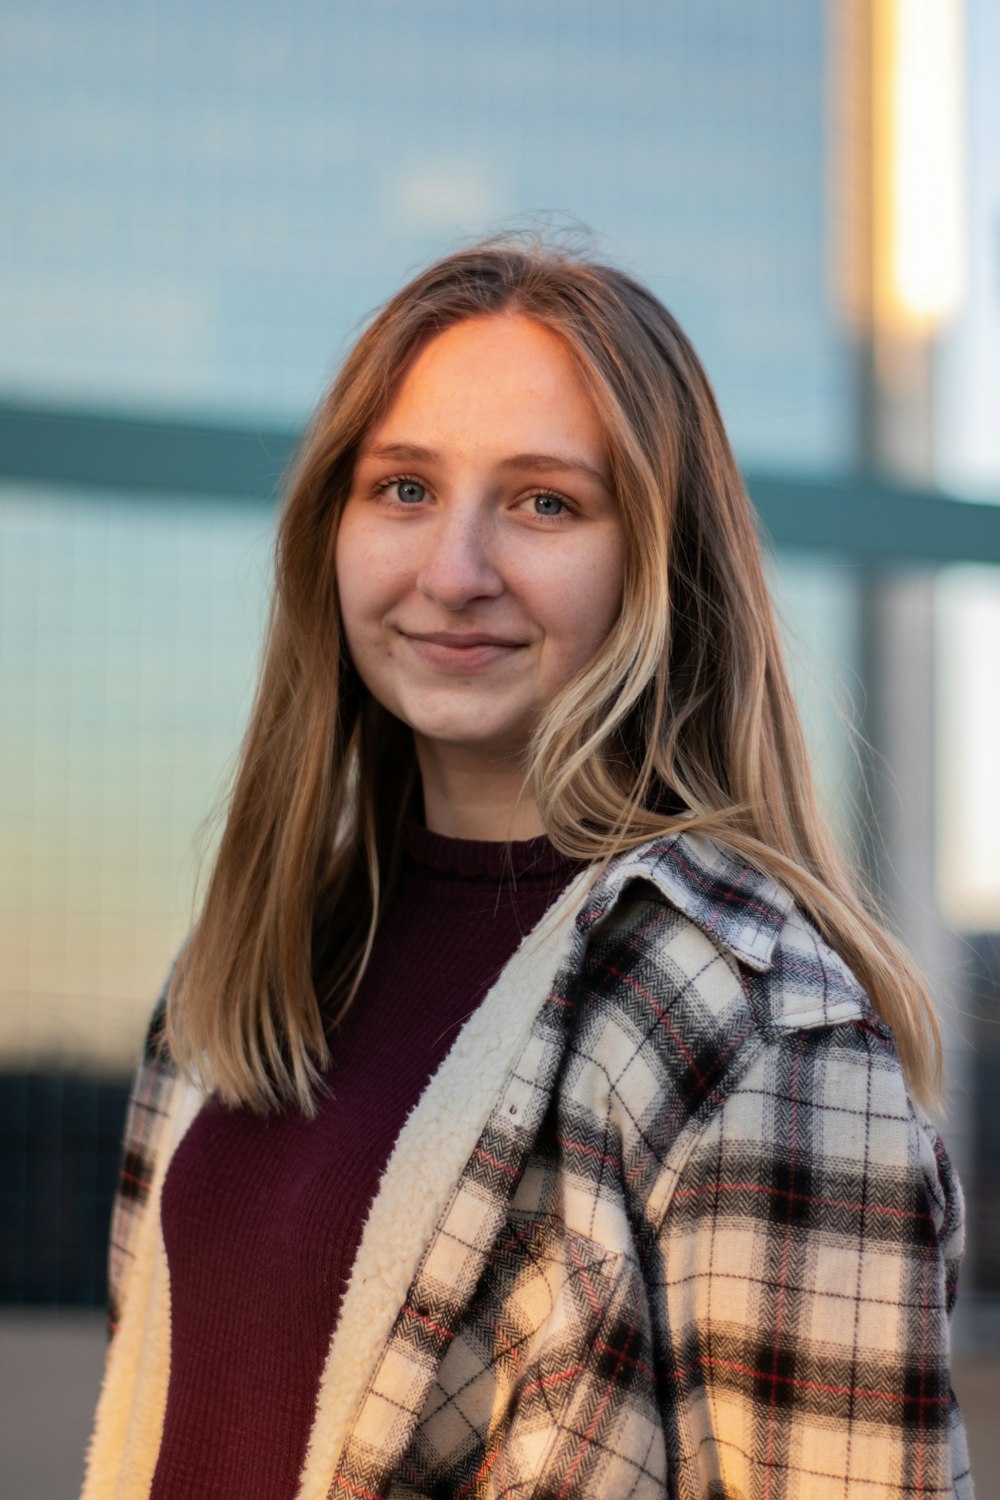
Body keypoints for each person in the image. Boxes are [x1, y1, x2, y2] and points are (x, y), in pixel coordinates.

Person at [82, 237, 973, 1499]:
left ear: (657, 563)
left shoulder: (754, 1023)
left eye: (545, 502)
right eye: (402, 489)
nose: (453, 573)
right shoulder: (252, 957)